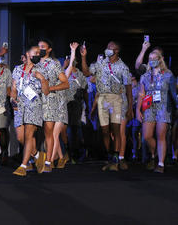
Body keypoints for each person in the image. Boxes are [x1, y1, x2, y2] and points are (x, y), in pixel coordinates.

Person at [81, 41, 133, 171]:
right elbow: (87, 73)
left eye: (111, 48)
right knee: (104, 131)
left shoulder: (123, 67)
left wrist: (130, 108)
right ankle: (110, 157)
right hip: (102, 98)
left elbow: (128, 89)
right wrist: (83, 56)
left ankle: (116, 159)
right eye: (107, 47)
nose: (108, 50)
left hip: (117, 99)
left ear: (117, 50)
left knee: (116, 130)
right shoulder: (101, 64)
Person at [135, 46, 177, 173]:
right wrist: (138, 109)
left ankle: (160, 164)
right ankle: (156, 154)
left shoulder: (168, 74)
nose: (152, 60)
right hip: (149, 107)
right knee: (147, 136)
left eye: (154, 58)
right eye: (150, 58)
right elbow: (141, 93)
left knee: (161, 135)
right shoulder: (145, 75)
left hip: (163, 106)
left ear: (160, 60)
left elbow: (174, 93)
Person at [11, 45, 46, 176]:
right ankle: (37, 155)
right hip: (19, 107)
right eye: (35, 52)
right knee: (20, 137)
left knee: (28, 135)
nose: (38, 54)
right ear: (27, 53)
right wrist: (12, 100)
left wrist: (42, 79)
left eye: (39, 53)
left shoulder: (41, 69)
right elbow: (13, 89)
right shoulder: (17, 69)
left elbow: (45, 88)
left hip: (34, 105)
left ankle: (23, 165)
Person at [37, 39, 69, 173]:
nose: (40, 49)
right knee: (35, 134)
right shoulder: (35, 64)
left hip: (50, 102)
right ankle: (37, 159)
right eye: (38, 47)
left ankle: (48, 162)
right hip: (35, 102)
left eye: (43, 47)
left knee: (48, 133)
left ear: (49, 49)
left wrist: (50, 88)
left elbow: (66, 83)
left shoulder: (54, 64)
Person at [64, 42, 88, 163]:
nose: (72, 62)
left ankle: (79, 152)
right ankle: (68, 153)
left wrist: (88, 105)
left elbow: (85, 91)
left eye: (73, 60)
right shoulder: (64, 73)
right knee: (67, 129)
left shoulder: (80, 74)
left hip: (77, 105)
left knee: (76, 129)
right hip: (66, 104)